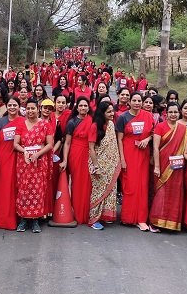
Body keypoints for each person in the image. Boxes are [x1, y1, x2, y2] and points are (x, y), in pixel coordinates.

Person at [13, 98, 54, 233]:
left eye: (33, 108)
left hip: (39, 162)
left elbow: (49, 144)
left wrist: (37, 154)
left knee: (38, 190)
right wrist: (25, 151)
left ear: (38, 109)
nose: (31, 111)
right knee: (23, 189)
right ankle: (24, 219)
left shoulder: (45, 125)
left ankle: (36, 220)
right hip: (24, 162)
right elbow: (16, 144)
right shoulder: (20, 124)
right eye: (28, 108)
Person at [116, 92, 155, 231]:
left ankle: (141, 218)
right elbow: (119, 140)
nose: (137, 103)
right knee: (130, 186)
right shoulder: (123, 118)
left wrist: (147, 139)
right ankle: (128, 217)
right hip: (128, 153)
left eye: (139, 100)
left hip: (143, 154)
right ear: (130, 102)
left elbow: (153, 133)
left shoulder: (148, 116)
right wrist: (122, 159)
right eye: (134, 100)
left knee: (142, 186)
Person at [150, 102, 187, 231]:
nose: (173, 114)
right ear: (166, 113)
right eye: (171, 112)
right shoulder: (160, 127)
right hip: (162, 163)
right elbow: (155, 148)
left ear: (179, 114)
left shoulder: (184, 129)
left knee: (175, 192)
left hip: (177, 166)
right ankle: (155, 222)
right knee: (161, 192)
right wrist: (157, 166)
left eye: (176, 112)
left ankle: (172, 223)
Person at [0, 97, 22, 230]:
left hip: (19, 158)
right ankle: (4, 219)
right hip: (3, 159)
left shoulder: (24, 121)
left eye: (15, 105)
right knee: (4, 189)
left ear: (19, 107)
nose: (12, 107)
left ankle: (21, 217)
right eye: (10, 105)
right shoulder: (0, 122)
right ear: (6, 106)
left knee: (18, 188)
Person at [60, 97, 93, 225]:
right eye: (81, 106)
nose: (83, 108)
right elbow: (67, 143)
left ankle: (88, 212)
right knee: (77, 183)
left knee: (89, 184)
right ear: (77, 107)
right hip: (76, 153)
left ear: (89, 107)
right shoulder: (72, 122)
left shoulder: (93, 120)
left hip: (90, 153)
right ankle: (78, 213)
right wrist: (65, 160)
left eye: (85, 106)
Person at [88, 101, 120, 229]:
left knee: (110, 190)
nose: (112, 114)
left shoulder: (111, 124)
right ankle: (93, 219)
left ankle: (103, 216)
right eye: (109, 112)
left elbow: (113, 145)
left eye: (112, 111)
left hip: (110, 165)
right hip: (98, 164)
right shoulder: (95, 126)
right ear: (102, 113)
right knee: (98, 191)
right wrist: (96, 166)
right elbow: (91, 149)